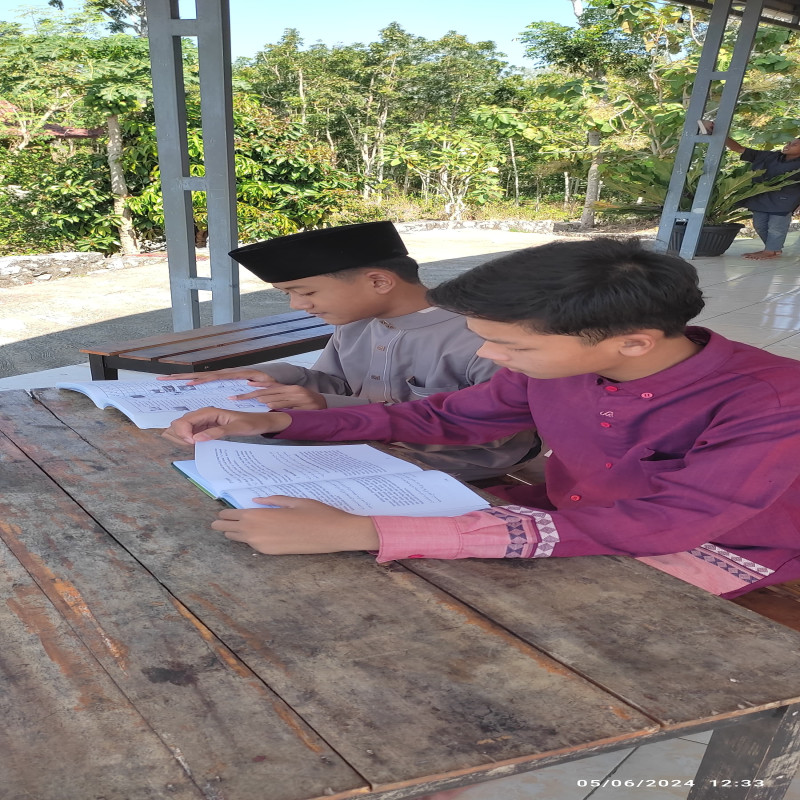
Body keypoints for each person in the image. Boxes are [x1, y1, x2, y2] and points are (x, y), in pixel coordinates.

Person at [163, 237, 800, 600]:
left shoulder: (771, 402)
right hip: (575, 517)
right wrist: (280, 426)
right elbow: (447, 418)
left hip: (719, 548)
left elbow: (670, 523)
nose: (492, 358)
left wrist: (370, 531)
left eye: (513, 346)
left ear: (631, 341)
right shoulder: (557, 364)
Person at [162, 221, 538, 480]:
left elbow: (495, 432)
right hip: (356, 442)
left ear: (378, 281)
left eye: (305, 292)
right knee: (207, 451)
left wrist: (327, 408)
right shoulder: (357, 321)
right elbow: (338, 383)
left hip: (460, 462)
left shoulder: (483, 338)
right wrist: (274, 376)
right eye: (288, 294)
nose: (297, 305)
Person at [703, 119, 800, 259]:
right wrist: (717, 133)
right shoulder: (770, 156)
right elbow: (739, 149)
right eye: (789, 142)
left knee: (776, 227)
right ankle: (773, 249)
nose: (788, 145)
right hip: (761, 197)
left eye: (795, 144)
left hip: (785, 200)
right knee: (759, 224)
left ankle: (770, 251)